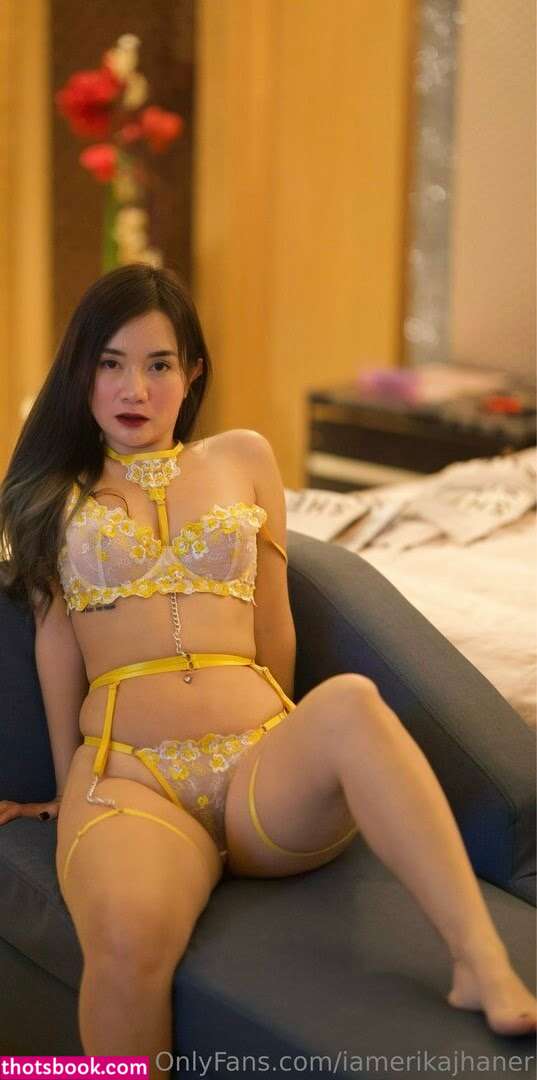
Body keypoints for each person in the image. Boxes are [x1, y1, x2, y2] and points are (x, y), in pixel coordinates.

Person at [0, 264, 534, 1070]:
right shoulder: (52, 496)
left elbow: (272, 620)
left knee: (350, 700)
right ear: (81, 372)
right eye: (110, 363)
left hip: (259, 774)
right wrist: (64, 779)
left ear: (193, 373)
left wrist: (282, 742)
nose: (133, 388)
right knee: (127, 944)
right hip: (134, 780)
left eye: (157, 364)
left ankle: (480, 962)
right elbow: (56, 646)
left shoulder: (243, 457)